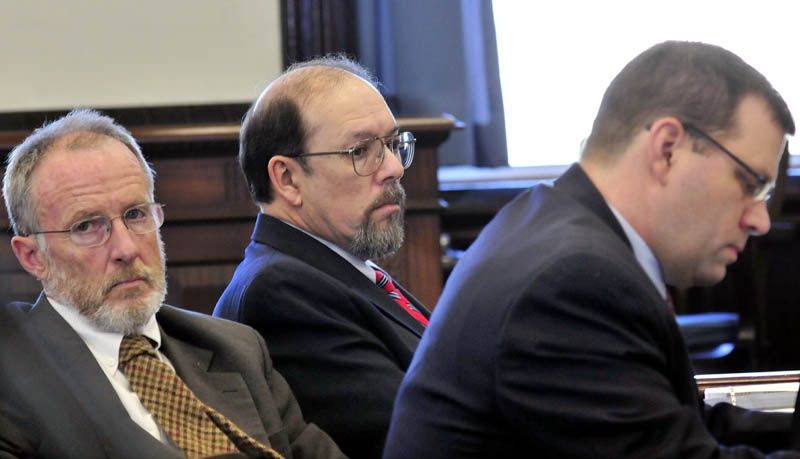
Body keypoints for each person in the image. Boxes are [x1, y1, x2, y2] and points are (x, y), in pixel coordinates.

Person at [384, 41, 799, 458]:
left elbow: (680, 424)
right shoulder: (570, 283)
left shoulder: (551, 225)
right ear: (667, 150)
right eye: (752, 185)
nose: (759, 220)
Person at [0, 109, 345, 459]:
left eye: (136, 214)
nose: (127, 249)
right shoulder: (13, 385)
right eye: (87, 226)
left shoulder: (237, 351)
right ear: (33, 257)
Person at [213, 55, 430, 458]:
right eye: (362, 151)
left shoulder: (337, 268)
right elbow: (415, 439)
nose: (395, 168)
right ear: (287, 179)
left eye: (393, 145)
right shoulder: (281, 292)